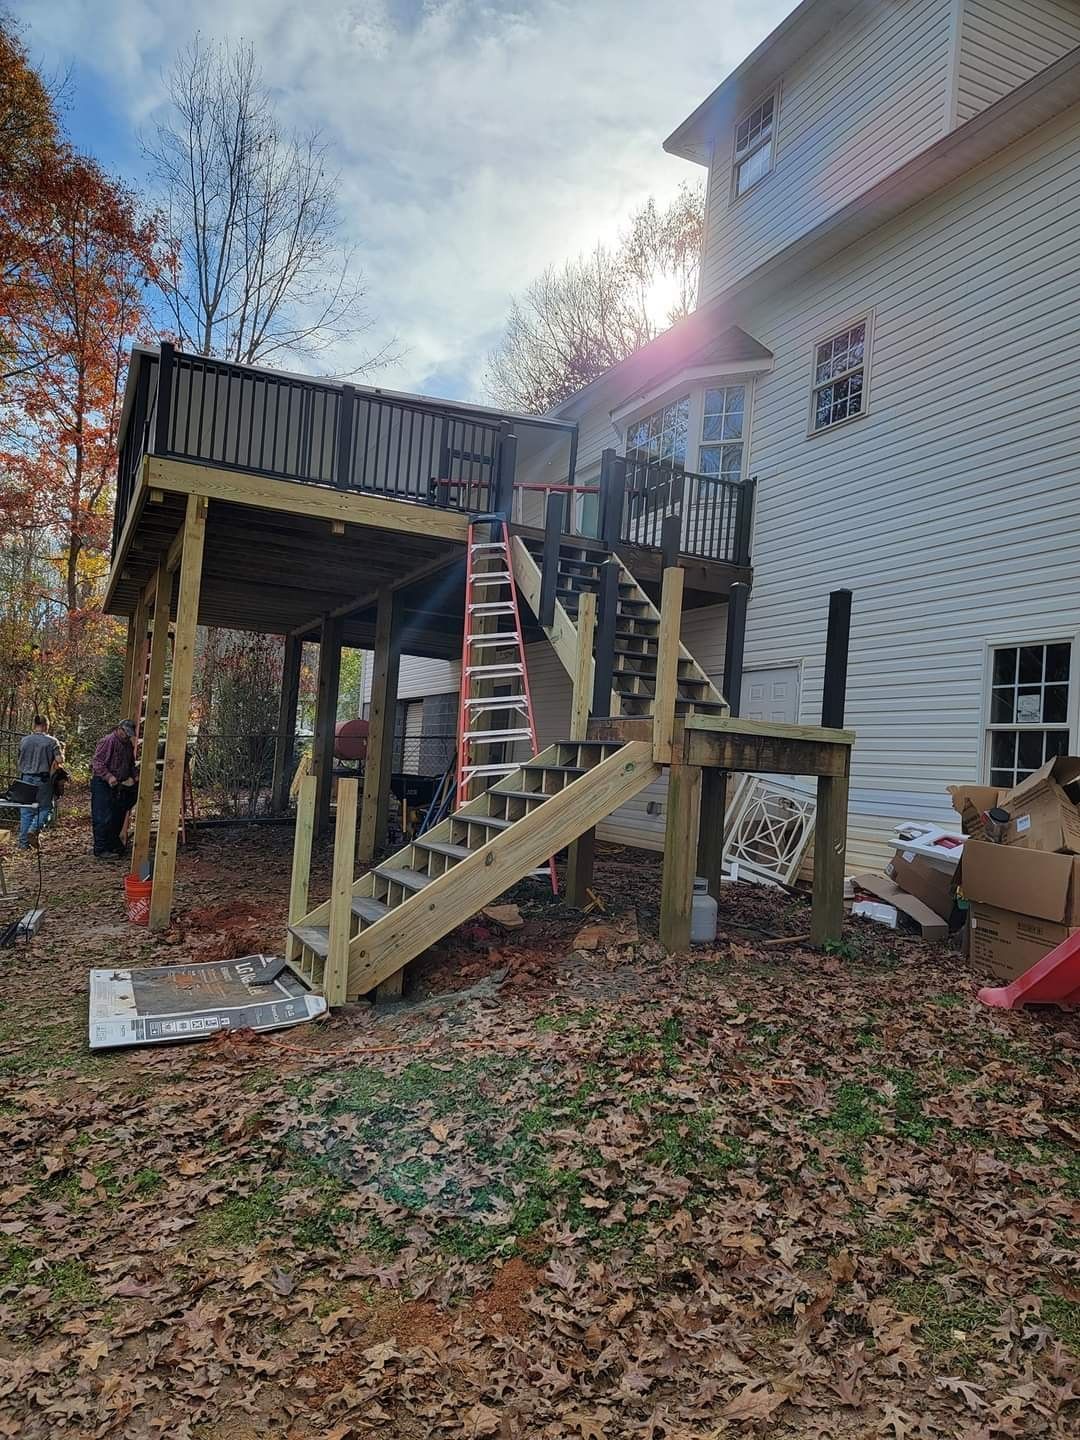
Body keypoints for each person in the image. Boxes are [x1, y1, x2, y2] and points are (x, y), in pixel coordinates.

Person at [90, 719, 137, 859]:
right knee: (102, 816)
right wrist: (108, 776)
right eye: (125, 733)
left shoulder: (128, 744)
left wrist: (135, 776)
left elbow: (131, 763)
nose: (127, 737)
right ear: (119, 729)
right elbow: (97, 762)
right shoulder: (108, 741)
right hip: (102, 783)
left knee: (117, 816)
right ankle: (100, 848)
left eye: (129, 735)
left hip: (119, 784)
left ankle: (112, 844)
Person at [16, 716, 61, 850]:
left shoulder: (24, 740)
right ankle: (34, 828)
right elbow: (59, 759)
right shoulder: (52, 741)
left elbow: (19, 758)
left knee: (26, 811)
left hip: (25, 778)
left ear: (34, 725)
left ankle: (23, 843)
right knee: (46, 808)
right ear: (46, 725)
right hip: (43, 779)